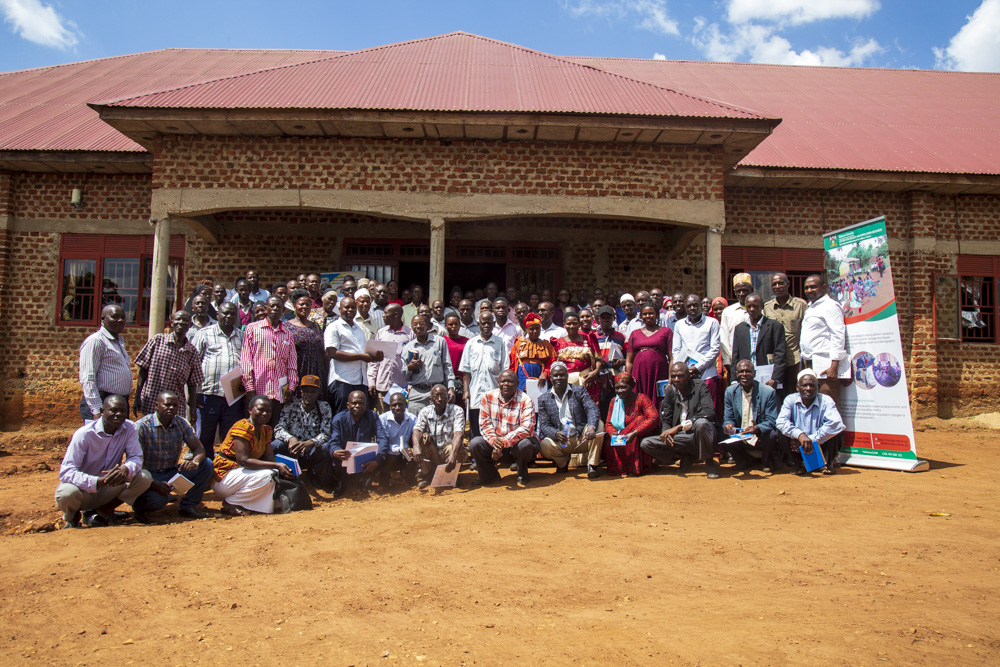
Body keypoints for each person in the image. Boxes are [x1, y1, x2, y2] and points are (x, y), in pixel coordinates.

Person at [55, 395, 153, 528]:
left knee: (144, 477)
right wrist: (98, 482)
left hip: (110, 488)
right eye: (113, 410)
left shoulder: (129, 428)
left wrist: (126, 469)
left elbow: (136, 457)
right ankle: (72, 517)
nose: (118, 414)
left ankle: (106, 509)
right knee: (66, 493)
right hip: (84, 490)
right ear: (102, 411)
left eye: (123, 411)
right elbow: (67, 472)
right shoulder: (84, 434)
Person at [134, 391, 214, 520]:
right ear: (156, 406)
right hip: (148, 476)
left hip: (171, 472)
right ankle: (140, 508)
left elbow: (199, 449)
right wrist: (154, 484)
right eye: (167, 405)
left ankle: (188, 506)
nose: (171, 408)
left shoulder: (181, 423)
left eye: (175, 405)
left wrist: (195, 462)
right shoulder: (142, 427)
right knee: (157, 501)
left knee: (206, 464)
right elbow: (136, 463)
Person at [213, 395, 293, 515]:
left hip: (242, 475)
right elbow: (243, 460)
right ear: (250, 410)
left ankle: (250, 505)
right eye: (260, 410)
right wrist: (276, 466)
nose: (265, 414)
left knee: (275, 476)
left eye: (268, 411)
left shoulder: (266, 430)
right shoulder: (242, 427)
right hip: (225, 475)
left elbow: (270, 458)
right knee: (268, 475)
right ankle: (232, 502)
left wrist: (281, 468)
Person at [639, 362, 720, 478]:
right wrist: (666, 433)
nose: (676, 379)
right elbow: (666, 418)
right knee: (646, 443)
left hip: (700, 435)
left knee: (702, 423)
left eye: (680, 376)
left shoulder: (699, 386)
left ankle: (709, 462)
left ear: (689, 376)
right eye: (673, 376)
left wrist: (679, 427)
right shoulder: (670, 391)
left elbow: (708, 411)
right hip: (682, 438)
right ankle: (685, 456)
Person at [191, 302, 244, 459]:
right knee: (205, 435)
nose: (228, 316)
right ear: (218, 315)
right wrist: (193, 394)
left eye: (232, 313)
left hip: (233, 397)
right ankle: (205, 467)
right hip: (208, 394)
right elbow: (193, 363)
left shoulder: (242, 336)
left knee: (230, 435)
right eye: (225, 313)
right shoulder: (205, 333)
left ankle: (224, 467)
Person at [469, 370, 539, 486]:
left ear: (517, 383)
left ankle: (522, 471)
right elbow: (484, 424)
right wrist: (493, 441)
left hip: (516, 445)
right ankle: (489, 476)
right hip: (496, 444)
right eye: (503, 381)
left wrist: (503, 442)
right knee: (475, 443)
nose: (506, 384)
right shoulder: (488, 397)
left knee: (526, 445)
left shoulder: (526, 400)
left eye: (510, 381)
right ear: (498, 383)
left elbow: (527, 428)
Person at [134, 310, 203, 422]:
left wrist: (192, 410)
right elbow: (143, 369)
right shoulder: (157, 341)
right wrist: (137, 397)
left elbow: (192, 384)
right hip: (152, 401)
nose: (181, 322)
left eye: (185, 320)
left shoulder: (192, 352)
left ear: (190, 325)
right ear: (172, 322)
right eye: (178, 319)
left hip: (176, 407)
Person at [537, 362, 604, 477]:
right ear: (551, 377)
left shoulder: (579, 391)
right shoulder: (543, 398)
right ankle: (562, 463)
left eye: (562, 375)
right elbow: (544, 425)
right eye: (555, 375)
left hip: (582, 437)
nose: (559, 378)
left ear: (567, 376)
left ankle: (592, 465)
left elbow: (592, 409)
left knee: (599, 426)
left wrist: (591, 427)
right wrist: (556, 434)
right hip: (562, 440)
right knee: (545, 446)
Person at [240, 296, 299, 426]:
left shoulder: (287, 333)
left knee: (275, 430)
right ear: (266, 308)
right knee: (254, 429)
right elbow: (246, 360)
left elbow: (292, 364)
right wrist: (249, 388)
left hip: (279, 393)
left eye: (278, 306)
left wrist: (292, 387)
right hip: (257, 390)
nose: (275, 309)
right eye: (272, 306)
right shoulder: (252, 329)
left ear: (282, 310)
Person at [776, 368, 846, 475]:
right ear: (797, 387)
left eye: (812, 385)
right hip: (797, 447)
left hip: (820, 446)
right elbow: (781, 422)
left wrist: (811, 440)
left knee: (837, 431)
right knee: (781, 432)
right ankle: (797, 464)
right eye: (804, 385)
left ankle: (827, 464)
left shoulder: (826, 400)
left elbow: (836, 423)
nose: (808, 389)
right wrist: (799, 435)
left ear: (817, 387)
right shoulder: (790, 399)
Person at [271, 375, 334, 489]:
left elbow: (326, 433)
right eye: (306, 391)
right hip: (292, 450)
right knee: (276, 445)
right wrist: (291, 439)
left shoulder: (324, 407)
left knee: (327, 447)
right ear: (301, 392)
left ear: (318, 392)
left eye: (313, 391)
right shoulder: (291, 405)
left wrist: (311, 442)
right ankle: (279, 474)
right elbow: (279, 428)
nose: (309, 394)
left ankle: (313, 474)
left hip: (311, 451)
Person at [325, 391, 390, 496]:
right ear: (348, 405)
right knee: (331, 455)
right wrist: (336, 451)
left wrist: (378, 460)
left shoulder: (372, 416)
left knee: (384, 453)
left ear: (366, 404)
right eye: (354, 403)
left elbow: (382, 437)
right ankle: (340, 485)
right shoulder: (338, 419)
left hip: (365, 460)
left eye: (361, 403)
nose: (357, 406)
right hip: (345, 460)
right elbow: (334, 441)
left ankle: (363, 484)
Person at [722, 360, 781, 473]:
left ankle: (766, 459)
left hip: (759, 436)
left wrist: (756, 428)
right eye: (741, 371)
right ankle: (743, 460)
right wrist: (728, 425)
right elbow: (728, 417)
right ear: (736, 374)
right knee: (722, 433)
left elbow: (771, 420)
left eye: (748, 371)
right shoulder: (730, 392)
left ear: (754, 373)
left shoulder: (768, 392)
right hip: (741, 436)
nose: (744, 374)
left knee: (772, 434)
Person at [326, 296, 382, 414]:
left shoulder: (359, 330)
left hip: (360, 381)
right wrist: (361, 356)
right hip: (342, 380)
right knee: (343, 418)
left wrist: (374, 357)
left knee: (360, 420)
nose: (350, 310)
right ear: (340, 309)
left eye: (353, 307)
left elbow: (362, 352)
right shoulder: (333, 327)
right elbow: (332, 353)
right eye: (346, 307)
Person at [671, 294, 723, 422]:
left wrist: (697, 368)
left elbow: (715, 348)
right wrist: (683, 370)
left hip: (706, 374)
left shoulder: (712, 322)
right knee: (688, 410)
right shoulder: (679, 325)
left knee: (709, 409)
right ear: (685, 307)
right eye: (689, 306)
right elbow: (676, 350)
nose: (692, 308)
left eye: (695, 305)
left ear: (701, 306)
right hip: (686, 376)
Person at [78, 304, 132, 423]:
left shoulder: (119, 341)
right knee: (100, 440)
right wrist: (97, 409)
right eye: (115, 317)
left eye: (123, 317)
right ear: (103, 319)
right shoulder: (96, 341)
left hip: (119, 403)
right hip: (103, 404)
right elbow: (88, 378)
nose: (120, 320)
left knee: (117, 441)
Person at [800, 274, 847, 402]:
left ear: (824, 287)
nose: (809, 290)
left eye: (813, 287)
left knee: (827, 401)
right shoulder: (810, 307)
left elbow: (838, 335)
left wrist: (834, 365)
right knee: (813, 404)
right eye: (807, 287)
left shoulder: (830, 306)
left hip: (825, 365)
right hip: (810, 363)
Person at [459, 311, 506, 439]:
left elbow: (504, 370)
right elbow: (466, 370)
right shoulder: (471, 343)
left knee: (494, 426)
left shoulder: (500, 343)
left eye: (489, 322)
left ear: (493, 324)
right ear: (479, 324)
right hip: (475, 393)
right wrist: (465, 391)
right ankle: (477, 454)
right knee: (476, 427)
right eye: (483, 323)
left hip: (494, 393)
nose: (486, 325)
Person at [602, 373, 659, 477]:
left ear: (631, 386)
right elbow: (608, 423)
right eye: (617, 388)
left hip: (637, 435)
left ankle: (636, 468)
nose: (620, 391)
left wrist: (634, 433)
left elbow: (654, 418)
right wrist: (612, 433)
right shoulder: (614, 401)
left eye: (623, 387)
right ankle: (621, 469)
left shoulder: (641, 398)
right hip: (621, 434)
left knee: (640, 419)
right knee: (609, 444)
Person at [764, 272, 808, 400]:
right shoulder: (767, 308)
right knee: (775, 396)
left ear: (788, 284)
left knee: (794, 395)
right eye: (774, 284)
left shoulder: (800, 305)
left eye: (781, 283)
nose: (777, 286)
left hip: (794, 359)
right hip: (774, 361)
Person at [412, 384, 465, 488]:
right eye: (436, 396)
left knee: (454, 447)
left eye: (443, 395)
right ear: (431, 399)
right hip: (434, 453)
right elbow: (417, 430)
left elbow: (459, 434)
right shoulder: (425, 411)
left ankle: (452, 475)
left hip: (449, 453)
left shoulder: (457, 410)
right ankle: (428, 476)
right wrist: (416, 447)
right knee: (422, 442)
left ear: (448, 397)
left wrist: (453, 455)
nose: (440, 399)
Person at [401, 314, 456, 414]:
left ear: (427, 326)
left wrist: (451, 388)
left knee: (437, 425)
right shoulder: (408, 347)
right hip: (417, 393)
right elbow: (403, 374)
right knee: (416, 426)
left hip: (437, 392)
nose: (418, 326)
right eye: (415, 324)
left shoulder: (439, 342)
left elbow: (447, 367)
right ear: (412, 327)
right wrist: (409, 367)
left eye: (421, 323)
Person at [731, 294, 787, 388]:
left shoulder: (775, 326)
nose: (752, 309)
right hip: (746, 378)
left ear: (762, 307)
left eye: (755, 306)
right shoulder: (739, 328)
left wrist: (775, 378)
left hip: (768, 378)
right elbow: (735, 356)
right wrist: (734, 380)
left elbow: (780, 354)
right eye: (749, 306)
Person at [368, 303, 413, 413]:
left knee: (401, 417)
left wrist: (411, 384)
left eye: (386, 313)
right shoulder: (381, 333)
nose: (383, 316)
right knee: (383, 418)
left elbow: (413, 362)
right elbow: (374, 360)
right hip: (383, 385)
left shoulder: (410, 334)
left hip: (402, 386)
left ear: (396, 315)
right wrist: (371, 381)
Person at [625, 305, 673, 406]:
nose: (648, 316)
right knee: (638, 400)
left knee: (659, 401)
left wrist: (670, 378)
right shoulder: (635, 334)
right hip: (638, 374)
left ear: (657, 315)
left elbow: (671, 358)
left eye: (651, 313)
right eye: (645, 314)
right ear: (641, 316)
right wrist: (627, 378)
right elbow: (629, 360)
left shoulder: (666, 331)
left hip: (659, 372)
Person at [285, 289, 327, 401]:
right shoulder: (287, 327)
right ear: (294, 306)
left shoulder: (316, 326)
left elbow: (323, 352)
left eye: (308, 304)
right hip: (298, 370)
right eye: (301, 304)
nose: (305, 307)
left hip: (317, 370)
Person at [552, 312, 603, 404]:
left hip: (587, 381)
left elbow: (598, 359)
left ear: (579, 324)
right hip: (566, 383)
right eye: (568, 324)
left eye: (575, 323)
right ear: (564, 325)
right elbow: (554, 364)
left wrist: (595, 372)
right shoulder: (558, 343)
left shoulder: (589, 339)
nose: (571, 326)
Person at [378, 391, 418, 489]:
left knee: (415, 453)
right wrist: (398, 449)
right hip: (389, 454)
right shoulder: (382, 419)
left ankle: (409, 476)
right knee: (391, 457)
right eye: (394, 405)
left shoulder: (412, 419)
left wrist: (413, 449)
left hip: (405, 454)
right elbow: (382, 443)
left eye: (400, 405)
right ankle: (384, 479)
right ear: (389, 406)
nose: (397, 408)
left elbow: (417, 435)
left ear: (405, 405)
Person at [509, 312, 556, 392]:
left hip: (540, 374)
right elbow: (513, 362)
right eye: (531, 329)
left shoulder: (546, 345)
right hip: (521, 375)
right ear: (526, 329)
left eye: (537, 328)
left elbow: (552, 362)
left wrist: (545, 374)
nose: (534, 331)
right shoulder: (519, 343)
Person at [720, 274, 753, 366]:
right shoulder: (728, 312)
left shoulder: (761, 310)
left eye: (745, 290)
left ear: (752, 290)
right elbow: (724, 338)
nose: (742, 294)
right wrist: (727, 361)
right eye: (739, 291)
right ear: (735, 292)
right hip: (735, 360)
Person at [443, 314, 469, 407]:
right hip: (446, 380)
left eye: (456, 324)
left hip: (463, 381)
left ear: (459, 325)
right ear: (445, 326)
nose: (453, 327)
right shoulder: (442, 341)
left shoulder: (467, 341)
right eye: (450, 324)